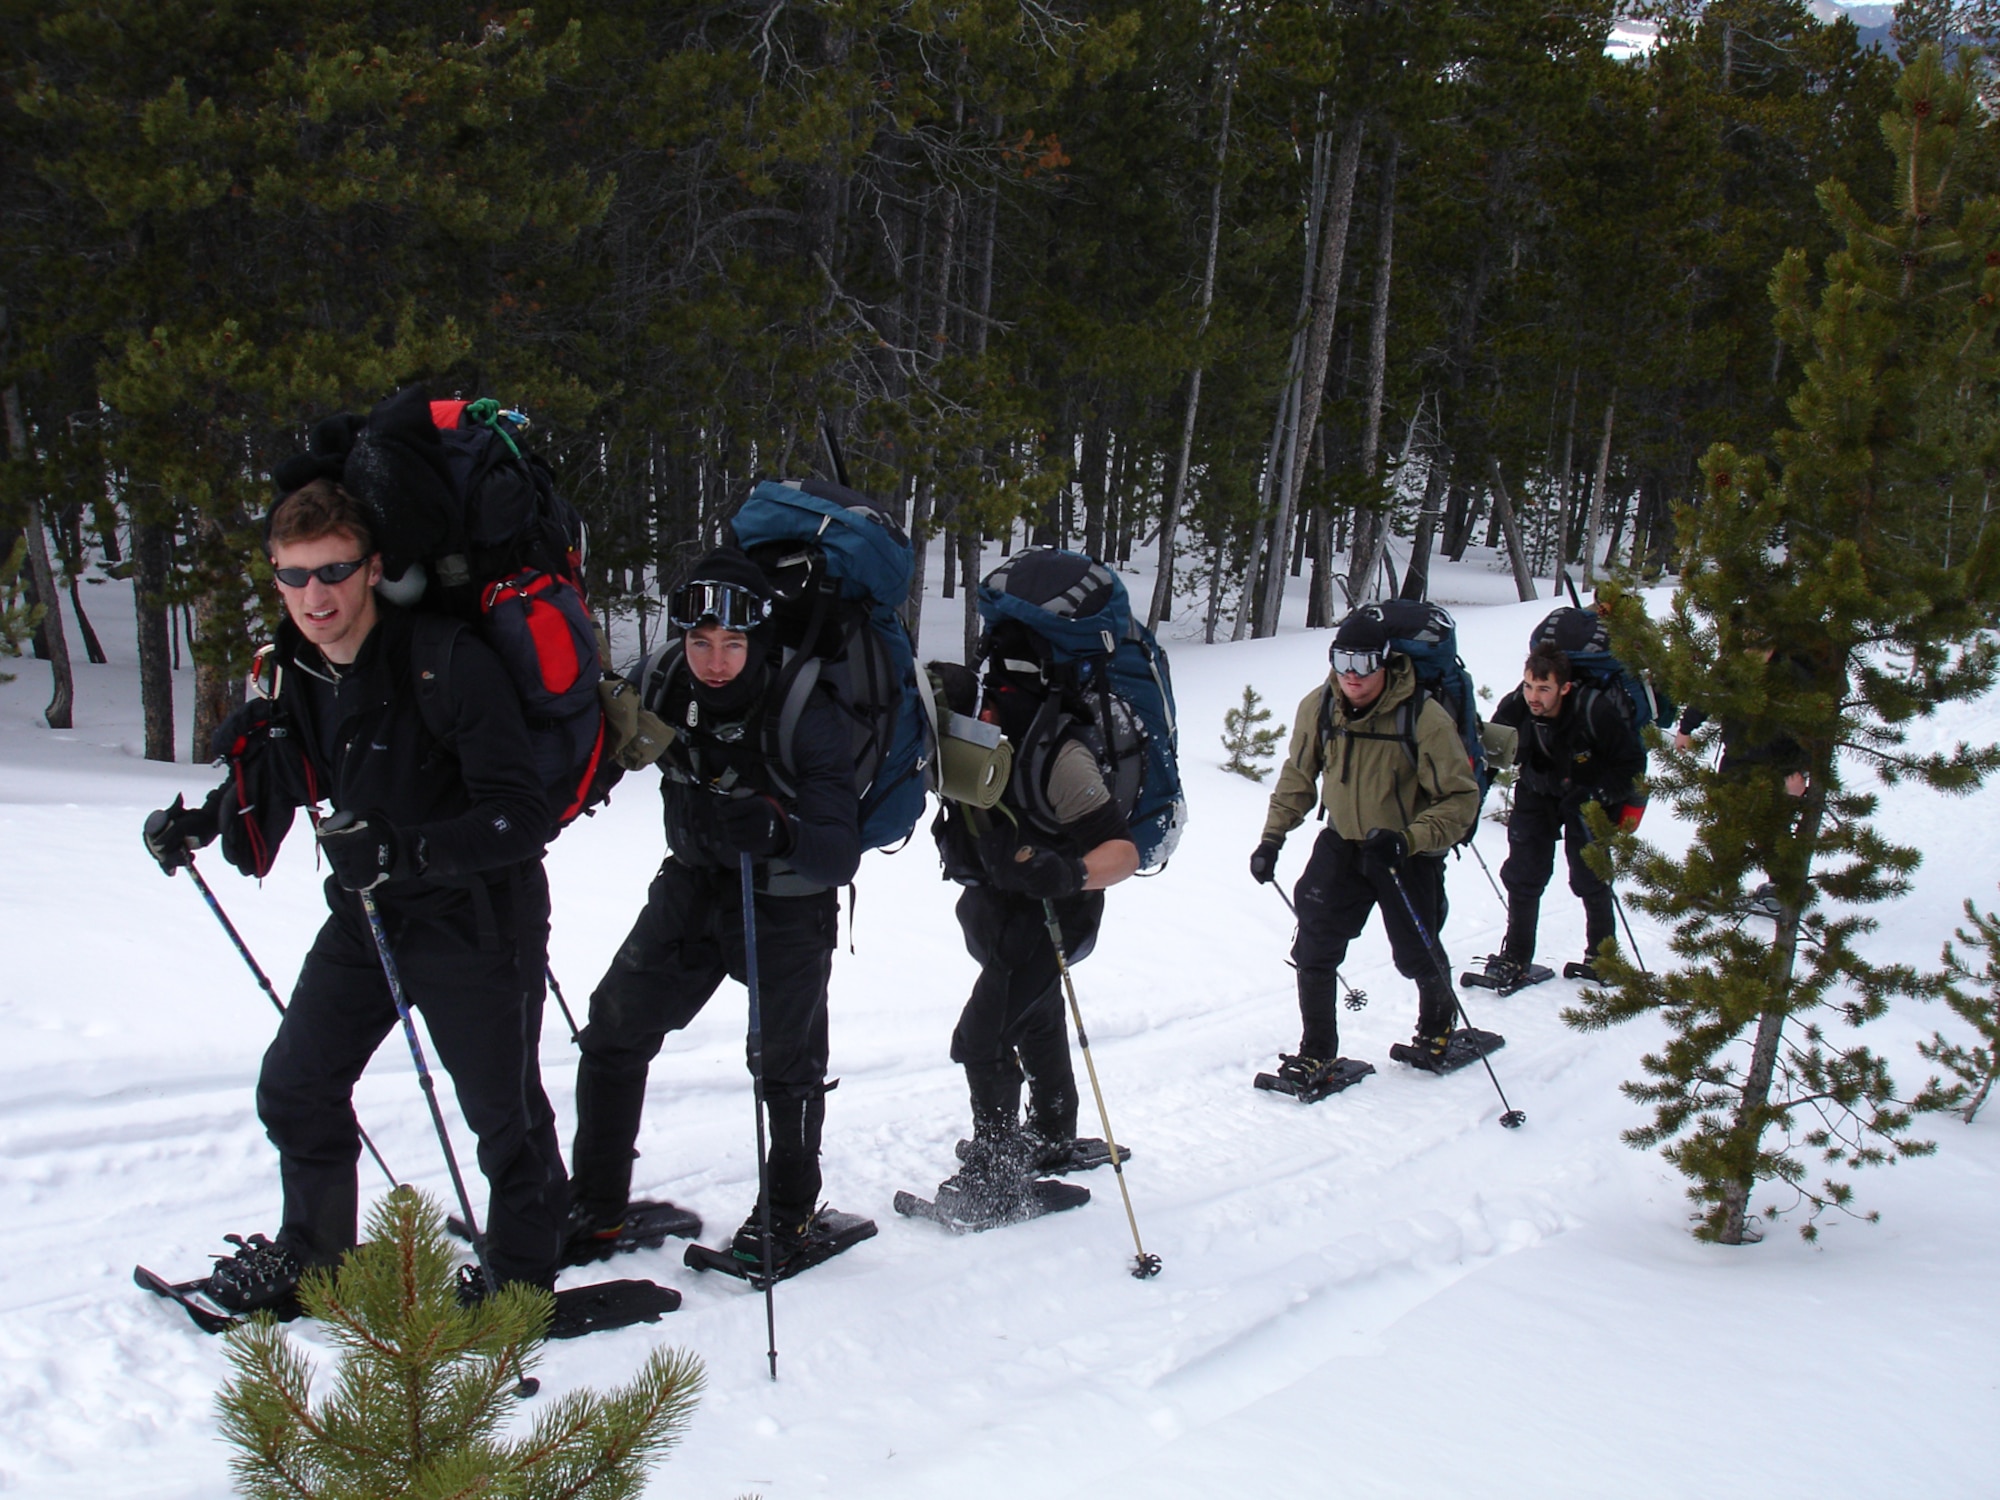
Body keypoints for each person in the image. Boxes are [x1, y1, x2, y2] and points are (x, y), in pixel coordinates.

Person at [141, 478, 566, 1310]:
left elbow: (523, 818)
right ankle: (316, 1259)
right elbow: (285, 771)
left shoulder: (448, 661)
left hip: (477, 916)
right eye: (294, 576)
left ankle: (523, 1285)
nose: (315, 595)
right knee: (295, 1085)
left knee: (501, 1115)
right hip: (368, 911)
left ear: (372, 569)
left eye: (332, 571)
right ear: (275, 577)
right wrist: (199, 825)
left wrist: (403, 849)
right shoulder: (298, 667)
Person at [568, 547, 861, 1271]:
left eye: (733, 644)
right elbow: (596, 750)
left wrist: (780, 828)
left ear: (759, 640)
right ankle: (594, 1207)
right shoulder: (664, 680)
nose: (716, 661)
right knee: (612, 1029)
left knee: (783, 1065)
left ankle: (788, 1219)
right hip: (694, 884)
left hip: (788, 900)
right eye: (702, 642)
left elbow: (838, 853)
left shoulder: (804, 709)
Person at [929, 619, 1140, 1222]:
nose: (996, 693)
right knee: (1036, 1013)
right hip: (993, 905)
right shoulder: (967, 728)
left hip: (1055, 912)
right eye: (993, 675)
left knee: (984, 1033)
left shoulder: (1062, 753)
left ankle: (998, 1180)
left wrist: (1068, 874)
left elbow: (1120, 854)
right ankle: (1050, 1130)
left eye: (1009, 678)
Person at [1248, 608, 1479, 1077]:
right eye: (1342, 660)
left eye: (1365, 662)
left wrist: (1409, 839)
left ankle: (1437, 1029)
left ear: (1386, 661)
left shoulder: (1424, 717)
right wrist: (1272, 838)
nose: (1352, 674)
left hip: (1402, 853)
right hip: (1341, 844)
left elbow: (1460, 798)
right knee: (1314, 948)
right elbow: (1298, 776)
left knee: (1417, 951)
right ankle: (1317, 1049)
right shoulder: (1320, 706)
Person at [1486, 644, 1647, 984]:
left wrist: (1599, 794)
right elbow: (1492, 752)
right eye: (1529, 686)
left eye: (1544, 689)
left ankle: (1603, 955)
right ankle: (1516, 955)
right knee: (1523, 873)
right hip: (1536, 789)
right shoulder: (1517, 706)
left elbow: (1632, 763)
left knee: (1590, 874)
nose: (1534, 696)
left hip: (1587, 793)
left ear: (1565, 687)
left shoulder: (1595, 709)